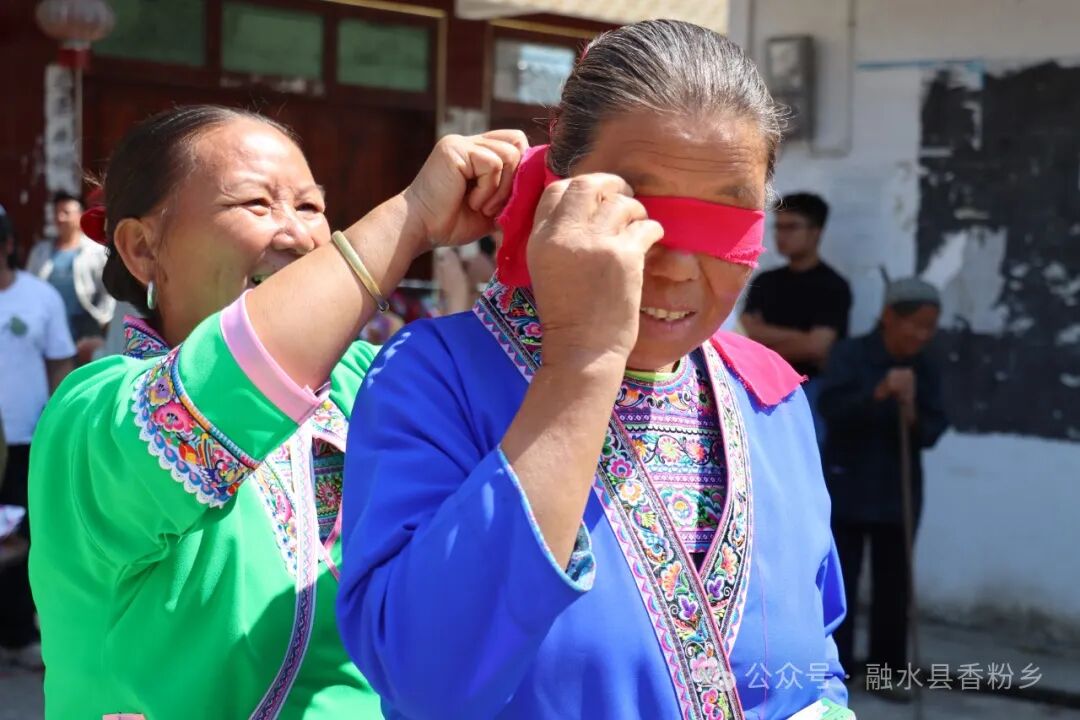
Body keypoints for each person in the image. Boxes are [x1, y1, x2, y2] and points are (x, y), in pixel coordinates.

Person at [339, 21, 851, 720]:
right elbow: (426, 675)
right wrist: (581, 361)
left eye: (723, 220)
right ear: (555, 192)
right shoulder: (435, 377)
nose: (676, 265)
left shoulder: (768, 395)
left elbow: (814, 659)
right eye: (635, 209)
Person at [28, 105, 527, 719]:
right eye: (256, 204)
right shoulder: (93, 413)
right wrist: (412, 215)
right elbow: (230, 378)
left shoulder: (367, 379)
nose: (296, 234)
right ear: (142, 246)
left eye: (311, 206)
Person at [818, 278, 948, 687]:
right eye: (916, 324)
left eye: (930, 327)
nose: (922, 335)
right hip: (848, 484)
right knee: (841, 584)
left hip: (898, 490)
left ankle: (886, 674)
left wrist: (910, 408)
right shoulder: (851, 354)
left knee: (894, 586)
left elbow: (932, 430)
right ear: (889, 317)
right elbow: (831, 409)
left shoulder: (926, 366)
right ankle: (837, 671)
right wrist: (878, 393)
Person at [0, 203, 75, 669]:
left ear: (8, 245)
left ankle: (18, 635)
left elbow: (60, 363)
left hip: (25, 439)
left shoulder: (39, 298)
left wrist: (58, 429)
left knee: (20, 538)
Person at [741, 193, 852, 440]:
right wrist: (801, 338)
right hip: (761, 385)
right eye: (779, 227)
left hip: (810, 390)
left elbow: (817, 347)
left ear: (816, 232)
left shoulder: (833, 286)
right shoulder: (765, 282)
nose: (782, 235)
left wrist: (765, 341)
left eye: (791, 227)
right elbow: (745, 334)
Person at [27, 191, 115, 364]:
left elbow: (108, 291)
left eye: (66, 213)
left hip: (85, 333)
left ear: (79, 215)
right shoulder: (40, 252)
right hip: (48, 333)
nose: (60, 218)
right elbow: (29, 289)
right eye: (57, 213)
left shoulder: (95, 251)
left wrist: (104, 319)